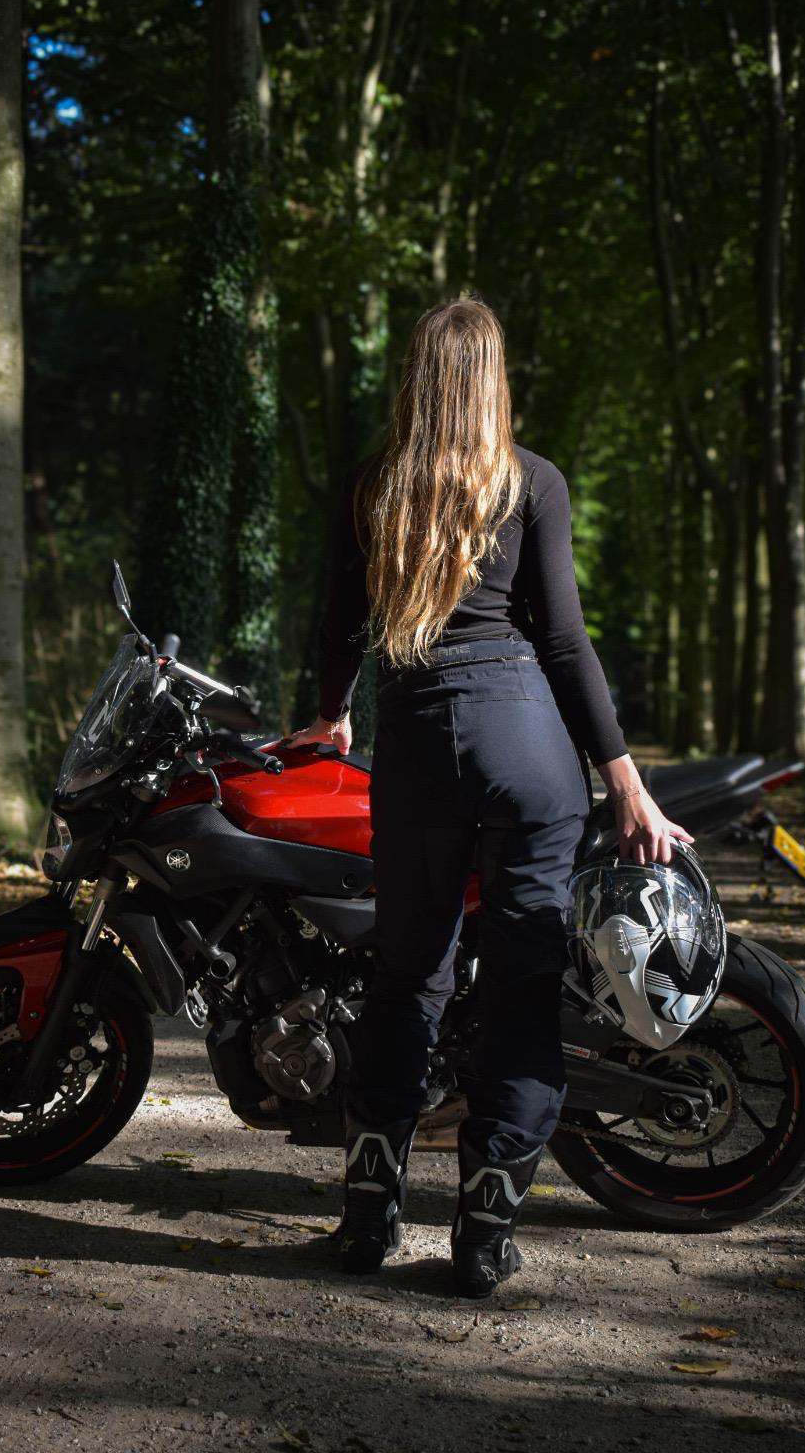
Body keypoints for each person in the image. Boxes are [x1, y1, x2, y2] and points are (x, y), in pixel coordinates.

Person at [283, 297, 693, 1299]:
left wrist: (328, 716)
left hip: (419, 746)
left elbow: (337, 623)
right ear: (492, 381)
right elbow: (563, 641)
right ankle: (482, 1237)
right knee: (520, 986)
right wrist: (626, 783)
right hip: (528, 750)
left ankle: (366, 1221)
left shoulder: (372, 486)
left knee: (404, 978)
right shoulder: (530, 481)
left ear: (417, 377)